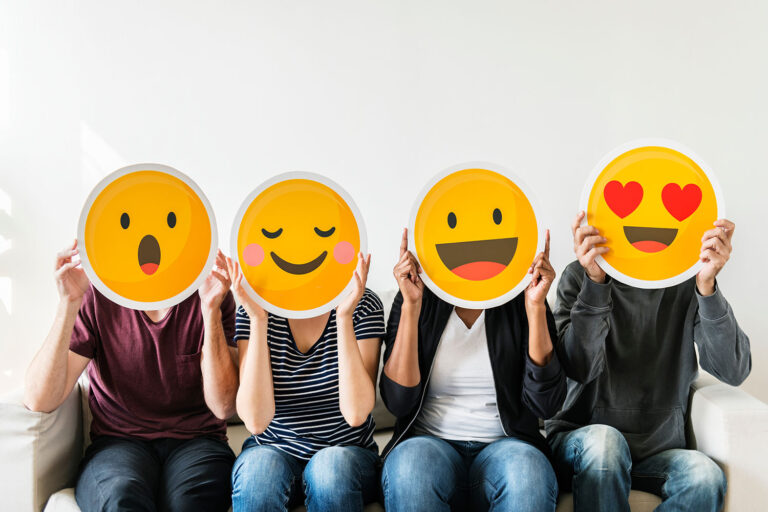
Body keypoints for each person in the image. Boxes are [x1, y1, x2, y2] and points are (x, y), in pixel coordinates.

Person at [547, 213, 751, 512]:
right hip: (583, 440)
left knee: (705, 476)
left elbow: (733, 370)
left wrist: (706, 287)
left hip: (659, 449)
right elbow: (579, 367)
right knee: (606, 444)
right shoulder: (579, 275)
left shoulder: (686, 281)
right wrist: (595, 282)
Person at [24, 241, 239, 512]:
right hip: (118, 444)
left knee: (190, 502)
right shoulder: (98, 296)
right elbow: (38, 400)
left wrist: (210, 311)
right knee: (120, 496)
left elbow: (224, 406)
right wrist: (68, 303)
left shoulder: (212, 293)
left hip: (198, 443)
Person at [380, 229, 566, 512]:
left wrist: (535, 306)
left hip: (507, 446)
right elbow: (397, 402)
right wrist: (412, 305)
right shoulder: (417, 297)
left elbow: (546, 405)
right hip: (427, 442)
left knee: (528, 474)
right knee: (411, 469)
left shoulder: (520, 298)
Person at [228, 252, 386, 512]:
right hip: (272, 451)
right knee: (258, 474)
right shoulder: (253, 307)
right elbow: (256, 421)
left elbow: (356, 414)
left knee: (329, 469)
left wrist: (344, 317)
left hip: (346, 455)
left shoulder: (363, 303)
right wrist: (258, 320)